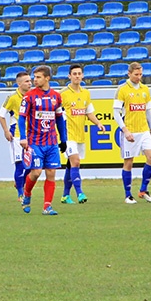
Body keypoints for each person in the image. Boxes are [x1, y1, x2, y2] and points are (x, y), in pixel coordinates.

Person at [18, 65, 67, 215]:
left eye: (38, 77)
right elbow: (21, 118)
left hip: (51, 141)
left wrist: (63, 139)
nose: (35, 80)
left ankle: (47, 206)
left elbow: (60, 119)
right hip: (35, 141)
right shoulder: (29, 96)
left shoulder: (56, 96)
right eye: (34, 77)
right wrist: (23, 137)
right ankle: (27, 193)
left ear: (47, 78)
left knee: (51, 172)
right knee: (36, 172)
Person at [59, 64, 106, 204]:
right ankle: (80, 193)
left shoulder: (86, 93)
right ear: (69, 76)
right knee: (76, 161)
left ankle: (65, 195)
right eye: (74, 74)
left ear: (83, 76)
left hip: (80, 135)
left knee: (70, 164)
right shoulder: (63, 94)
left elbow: (89, 112)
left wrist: (98, 123)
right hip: (67, 135)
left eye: (79, 73)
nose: (77, 76)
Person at [113, 62, 151, 204]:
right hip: (130, 130)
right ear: (129, 74)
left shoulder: (145, 89)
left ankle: (143, 190)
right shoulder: (123, 89)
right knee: (129, 163)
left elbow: (149, 112)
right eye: (136, 74)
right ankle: (128, 194)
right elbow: (116, 113)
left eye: (140, 74)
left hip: (143, 130)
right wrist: (125, 130)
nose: (139, 77)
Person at [0, 71, 32, 202]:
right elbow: (1, 115)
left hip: (31, 135)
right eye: (27, 81)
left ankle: (20, 183)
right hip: (17, 135)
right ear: (19, 84)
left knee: (31, 166)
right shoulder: (12, 98)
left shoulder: (33, 96)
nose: (30, 83)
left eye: (30, 81)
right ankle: (20, 193)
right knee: (20, 165)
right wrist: (6, 131)